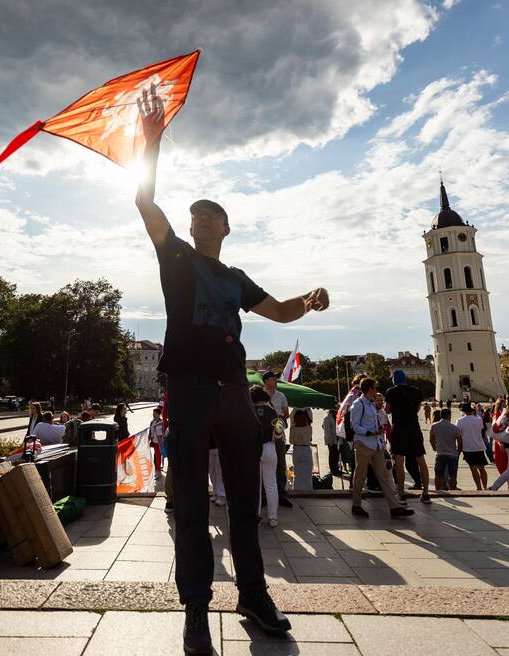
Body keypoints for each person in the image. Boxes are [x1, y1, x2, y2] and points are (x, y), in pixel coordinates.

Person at [135, 85, 329, 649]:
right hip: (190, 392)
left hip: (233, 395)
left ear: (224, 226)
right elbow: (147, 206)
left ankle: (253, 594)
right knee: (193, 504)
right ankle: (197, 607)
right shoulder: (175, 256)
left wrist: (310, 298)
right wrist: (151, 144)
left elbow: (278, 310)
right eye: (193, 215)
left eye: (207, 215)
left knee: (245, 501)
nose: (196, 219)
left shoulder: (235, 277)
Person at [349, 379, 411, 519]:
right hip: (364, 443)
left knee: (383, 475)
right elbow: (354, 425)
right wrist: (370, 432)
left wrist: (379, 431)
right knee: (360, 475)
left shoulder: (371, 403)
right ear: (369, 389)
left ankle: (394, 507)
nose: (376, 389)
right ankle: (356, 505)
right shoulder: (358, 404)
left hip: (376, 444)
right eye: (375, 387)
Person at [384, 370, 431, 504]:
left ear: (394, 380)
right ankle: (426, 492)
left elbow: (388, 410)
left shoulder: (391, 391)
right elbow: (417, 408)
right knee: (421, 459)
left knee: (399, 461)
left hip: (399, 428)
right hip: (414, 428)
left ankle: (401, 493)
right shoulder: (416, 391)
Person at [263, 371, 293, 508]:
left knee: (281, 463)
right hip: (264, 435)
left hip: (278, 433)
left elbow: (286, 414)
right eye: (273, 379)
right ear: (266, 381)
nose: (275, 381)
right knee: (263, 465)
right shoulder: (259, 395)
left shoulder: (281, 395)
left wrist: (278, 425)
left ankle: (281, 494)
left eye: (275, 379)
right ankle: (263, 495)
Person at [251, 386, 280, 528]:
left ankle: (255, 517)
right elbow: (279, 432)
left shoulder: (248, 411)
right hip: (269, 447)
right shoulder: (272, 412)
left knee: (255, 485)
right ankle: (273, 518)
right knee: (271, 484)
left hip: (252, 449)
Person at [429, 408, 463, 490]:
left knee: (438, 475)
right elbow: (460, 443)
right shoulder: (455, 428)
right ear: (449, 416)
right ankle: (452, 490)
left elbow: (431, 439)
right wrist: (458, 452)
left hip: (440, 453)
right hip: (452, 454)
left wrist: (435, 448)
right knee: (453, 476)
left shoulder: (434, 426)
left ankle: (438, 490)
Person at [457, 403, 488, 490]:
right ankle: (485, 487)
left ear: (463, 411)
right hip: (479, 446)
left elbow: (458, 433)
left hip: (467, 447)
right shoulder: (478, 419)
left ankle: (479, 487)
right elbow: (482, 429)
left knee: (474, 469)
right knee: (482, 468)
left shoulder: (460, 420)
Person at [289, 407, 313, 490]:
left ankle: (297, 489)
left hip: (297, 449)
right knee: (308, 473)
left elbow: (291, 441)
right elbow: (310, 439)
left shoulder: (293, 428)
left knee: (297, 473)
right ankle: (308, 490)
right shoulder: (309, 428)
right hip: (306, 449)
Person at [321, 407, 342, 477]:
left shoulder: (336, 415)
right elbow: (326, 430)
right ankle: (333, 470)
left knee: (335, 454)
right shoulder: (327, 417)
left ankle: (336, 469)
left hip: (336, 438)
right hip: (331, 440)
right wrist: (330, 440)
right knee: (332, 455)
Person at [149, 406, 166, 477]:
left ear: (159, 414)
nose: (153, 415)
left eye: (155, 414)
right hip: (154, 442)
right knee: (156, 456)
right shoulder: (152, 422)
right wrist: (148, 439)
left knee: (158, 456)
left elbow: (163, 433)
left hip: (159, 443)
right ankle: (157, 469)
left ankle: (158, 471)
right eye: (153, 414)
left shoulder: (161, 422)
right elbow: (150, 432)